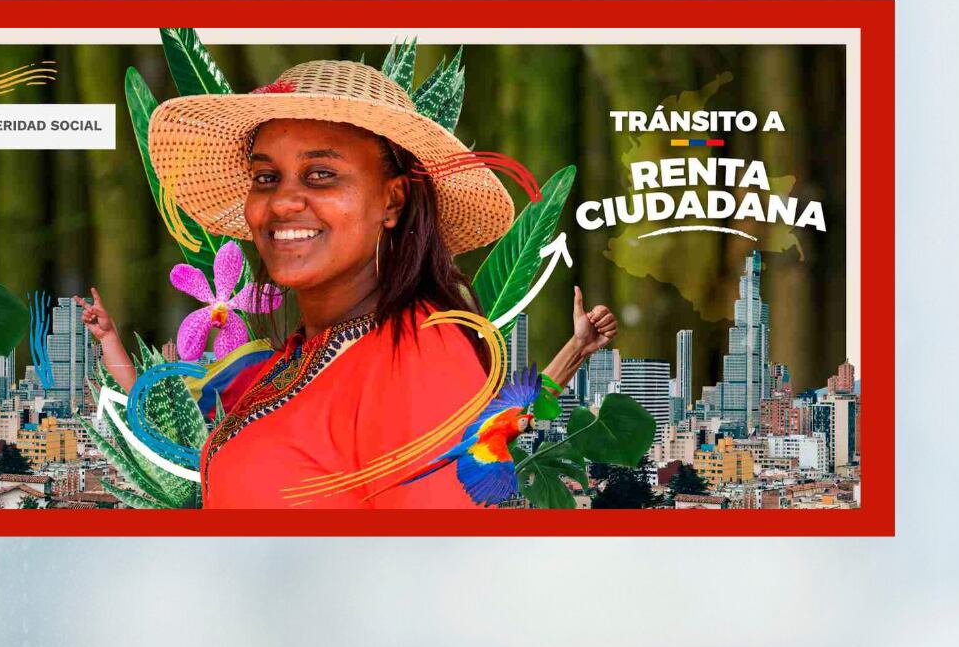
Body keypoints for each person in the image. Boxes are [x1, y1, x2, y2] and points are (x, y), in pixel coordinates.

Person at [79, 57, 617, 509]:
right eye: (267, 177)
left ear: (392, 200)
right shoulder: (291, 359)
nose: (284, 201)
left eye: (321, 176)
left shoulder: (419, 355)